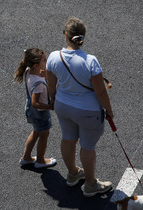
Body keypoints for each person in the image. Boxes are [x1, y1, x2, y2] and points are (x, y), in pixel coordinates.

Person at [46, 17, 114, 197]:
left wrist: (53, 101)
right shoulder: (90, 61)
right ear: (82, 38)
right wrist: (109, 110)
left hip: (63, 106)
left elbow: (51, 85)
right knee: (88, 146)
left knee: (68, 139)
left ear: (66, 35)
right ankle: (91, 185)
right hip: (88, 111)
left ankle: (73, 174)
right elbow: (100, 92)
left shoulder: (53, 56)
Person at [15, 48, 57, 168]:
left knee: (36, 133)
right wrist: (50, 106)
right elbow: (36, 103)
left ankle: (26, 157)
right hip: (40, 113)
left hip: (31, 112)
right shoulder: (38, 83)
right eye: (44, 60)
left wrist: (45, 77)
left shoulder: (29, 71)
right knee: (44, 135)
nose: (47, 61)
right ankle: (40, 160)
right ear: (36, 65)